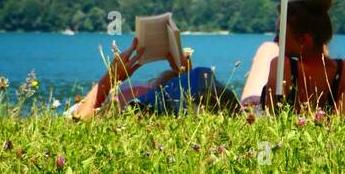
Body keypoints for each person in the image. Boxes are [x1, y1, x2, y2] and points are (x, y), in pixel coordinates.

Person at [67, 39, 238, 121]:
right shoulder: (134, 96)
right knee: (199, 77)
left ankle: (195, 97)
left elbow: (81, 118)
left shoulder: (145, 90)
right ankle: (198, 99)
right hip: (152, 105)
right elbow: (79, 118)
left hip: (160, 101)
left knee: (196, 78)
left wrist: (112, 77)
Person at [260, 0, 345, 115]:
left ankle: (316, 51)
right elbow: (342, 121)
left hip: (255, 107)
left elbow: (272, 116)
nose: (275, 40)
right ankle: (319, 51)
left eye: (280, 34)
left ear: (304, 40)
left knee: (266, 48)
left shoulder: (282, 65)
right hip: (324, 65)